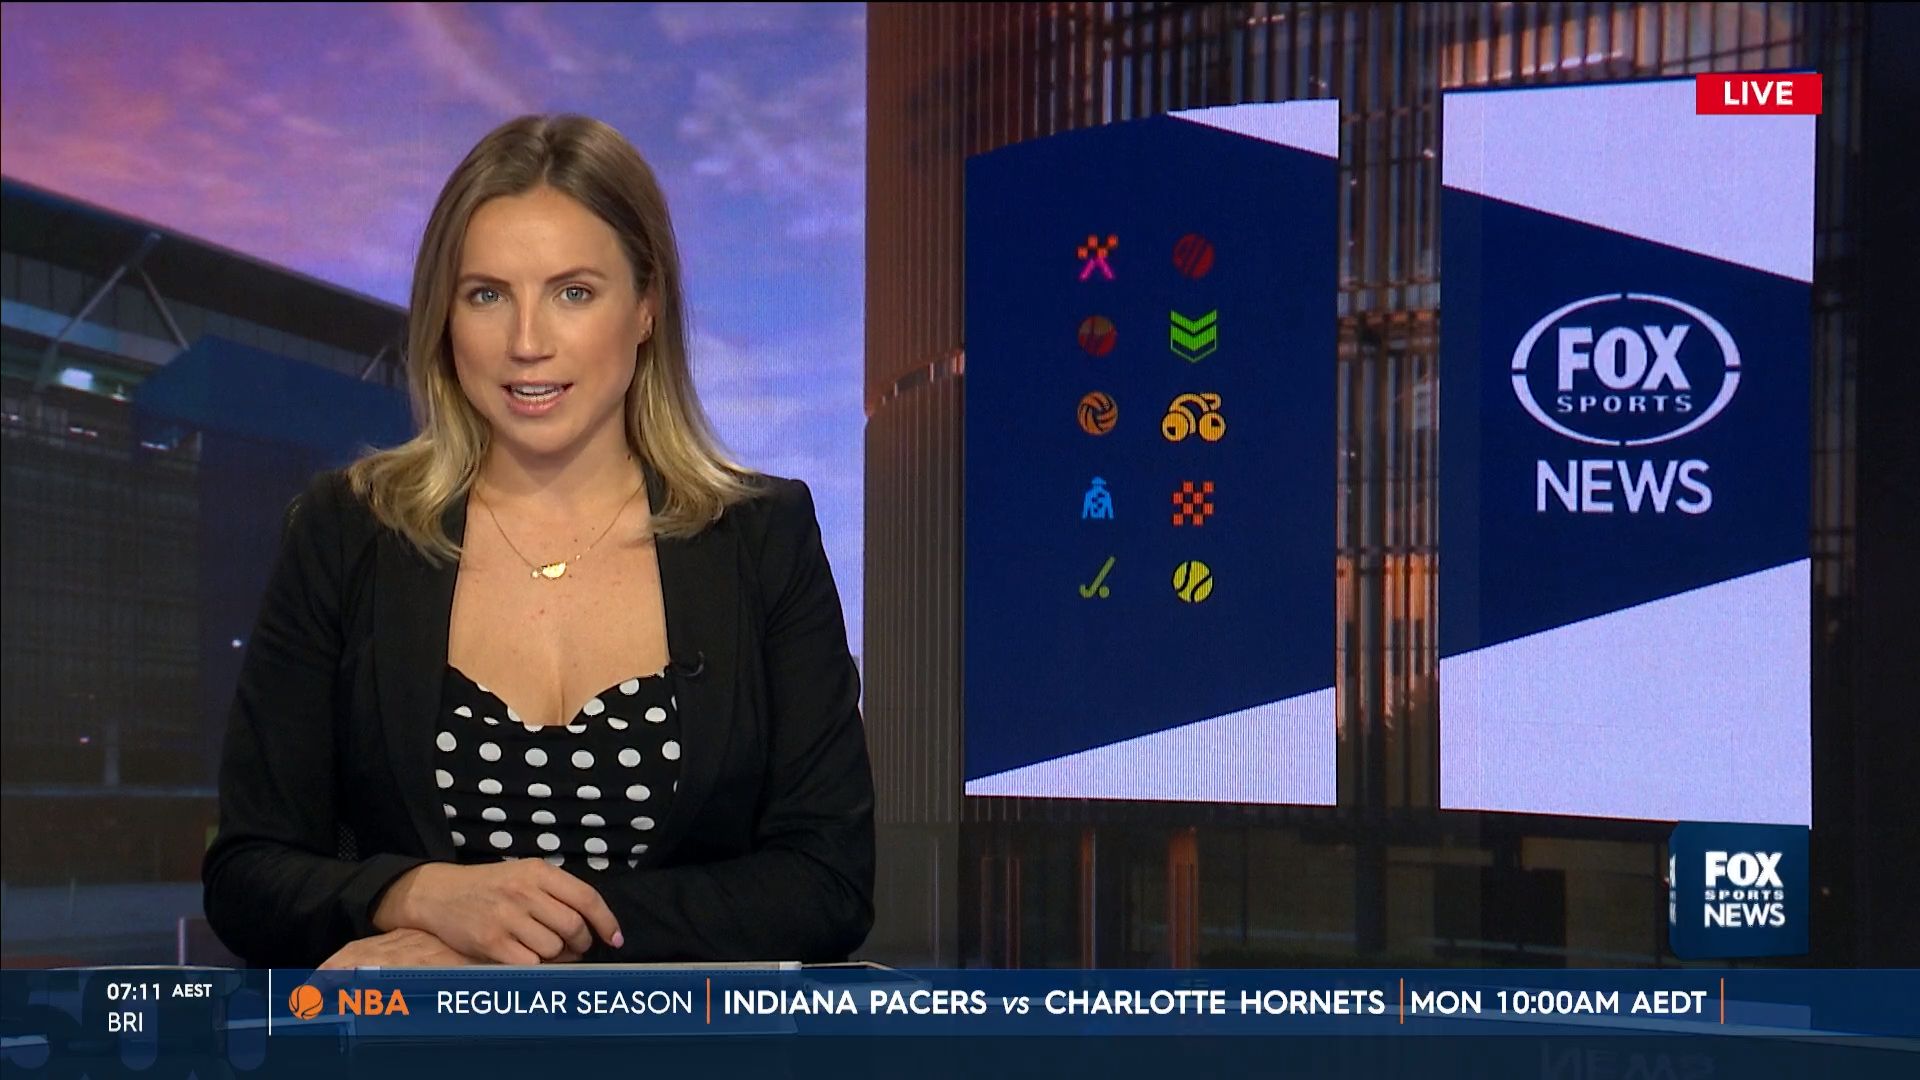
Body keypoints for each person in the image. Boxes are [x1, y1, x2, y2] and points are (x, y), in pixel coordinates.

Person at [201, 114, 875, 969]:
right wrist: (415, 895)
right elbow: (248, 873)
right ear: (444, 318)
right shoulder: (348, 530)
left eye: (573, 293)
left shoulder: (759, 536)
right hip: (415, 1038)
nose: (526, 343)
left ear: (646, 307)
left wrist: (521, 937)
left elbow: (826, 881)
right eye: (486, 295)